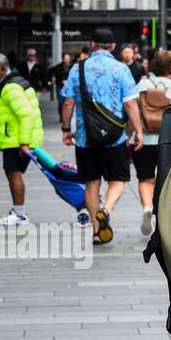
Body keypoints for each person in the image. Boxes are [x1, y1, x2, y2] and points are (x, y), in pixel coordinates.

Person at [60, 29, 141, 244]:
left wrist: (66, 129)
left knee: (91, 183)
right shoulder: (121, 69)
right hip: (115, 137)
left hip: (86, 137)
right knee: (119, 179)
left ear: (92, 44)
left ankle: (97, 231)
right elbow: (131, 104)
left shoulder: (78, 69)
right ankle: (106, 209)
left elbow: (68, 102)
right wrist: (138, 131)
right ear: (113, 47)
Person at [134, 49, 171, 236]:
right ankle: (164, 217)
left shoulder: (142, 84)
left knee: (145, 178)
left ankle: (146, 207)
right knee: (167, 180)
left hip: (144, 138)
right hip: (168, 140)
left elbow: (132, 108)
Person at [0, 52, 43, 227]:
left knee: (13, 174)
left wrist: (24, 143)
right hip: (17, 136)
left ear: (1, 69)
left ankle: (20, 214)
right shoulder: (15, 81)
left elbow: (25, 115)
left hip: (16, 138)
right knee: (12, 173)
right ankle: (18, 212)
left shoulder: (10, 88)